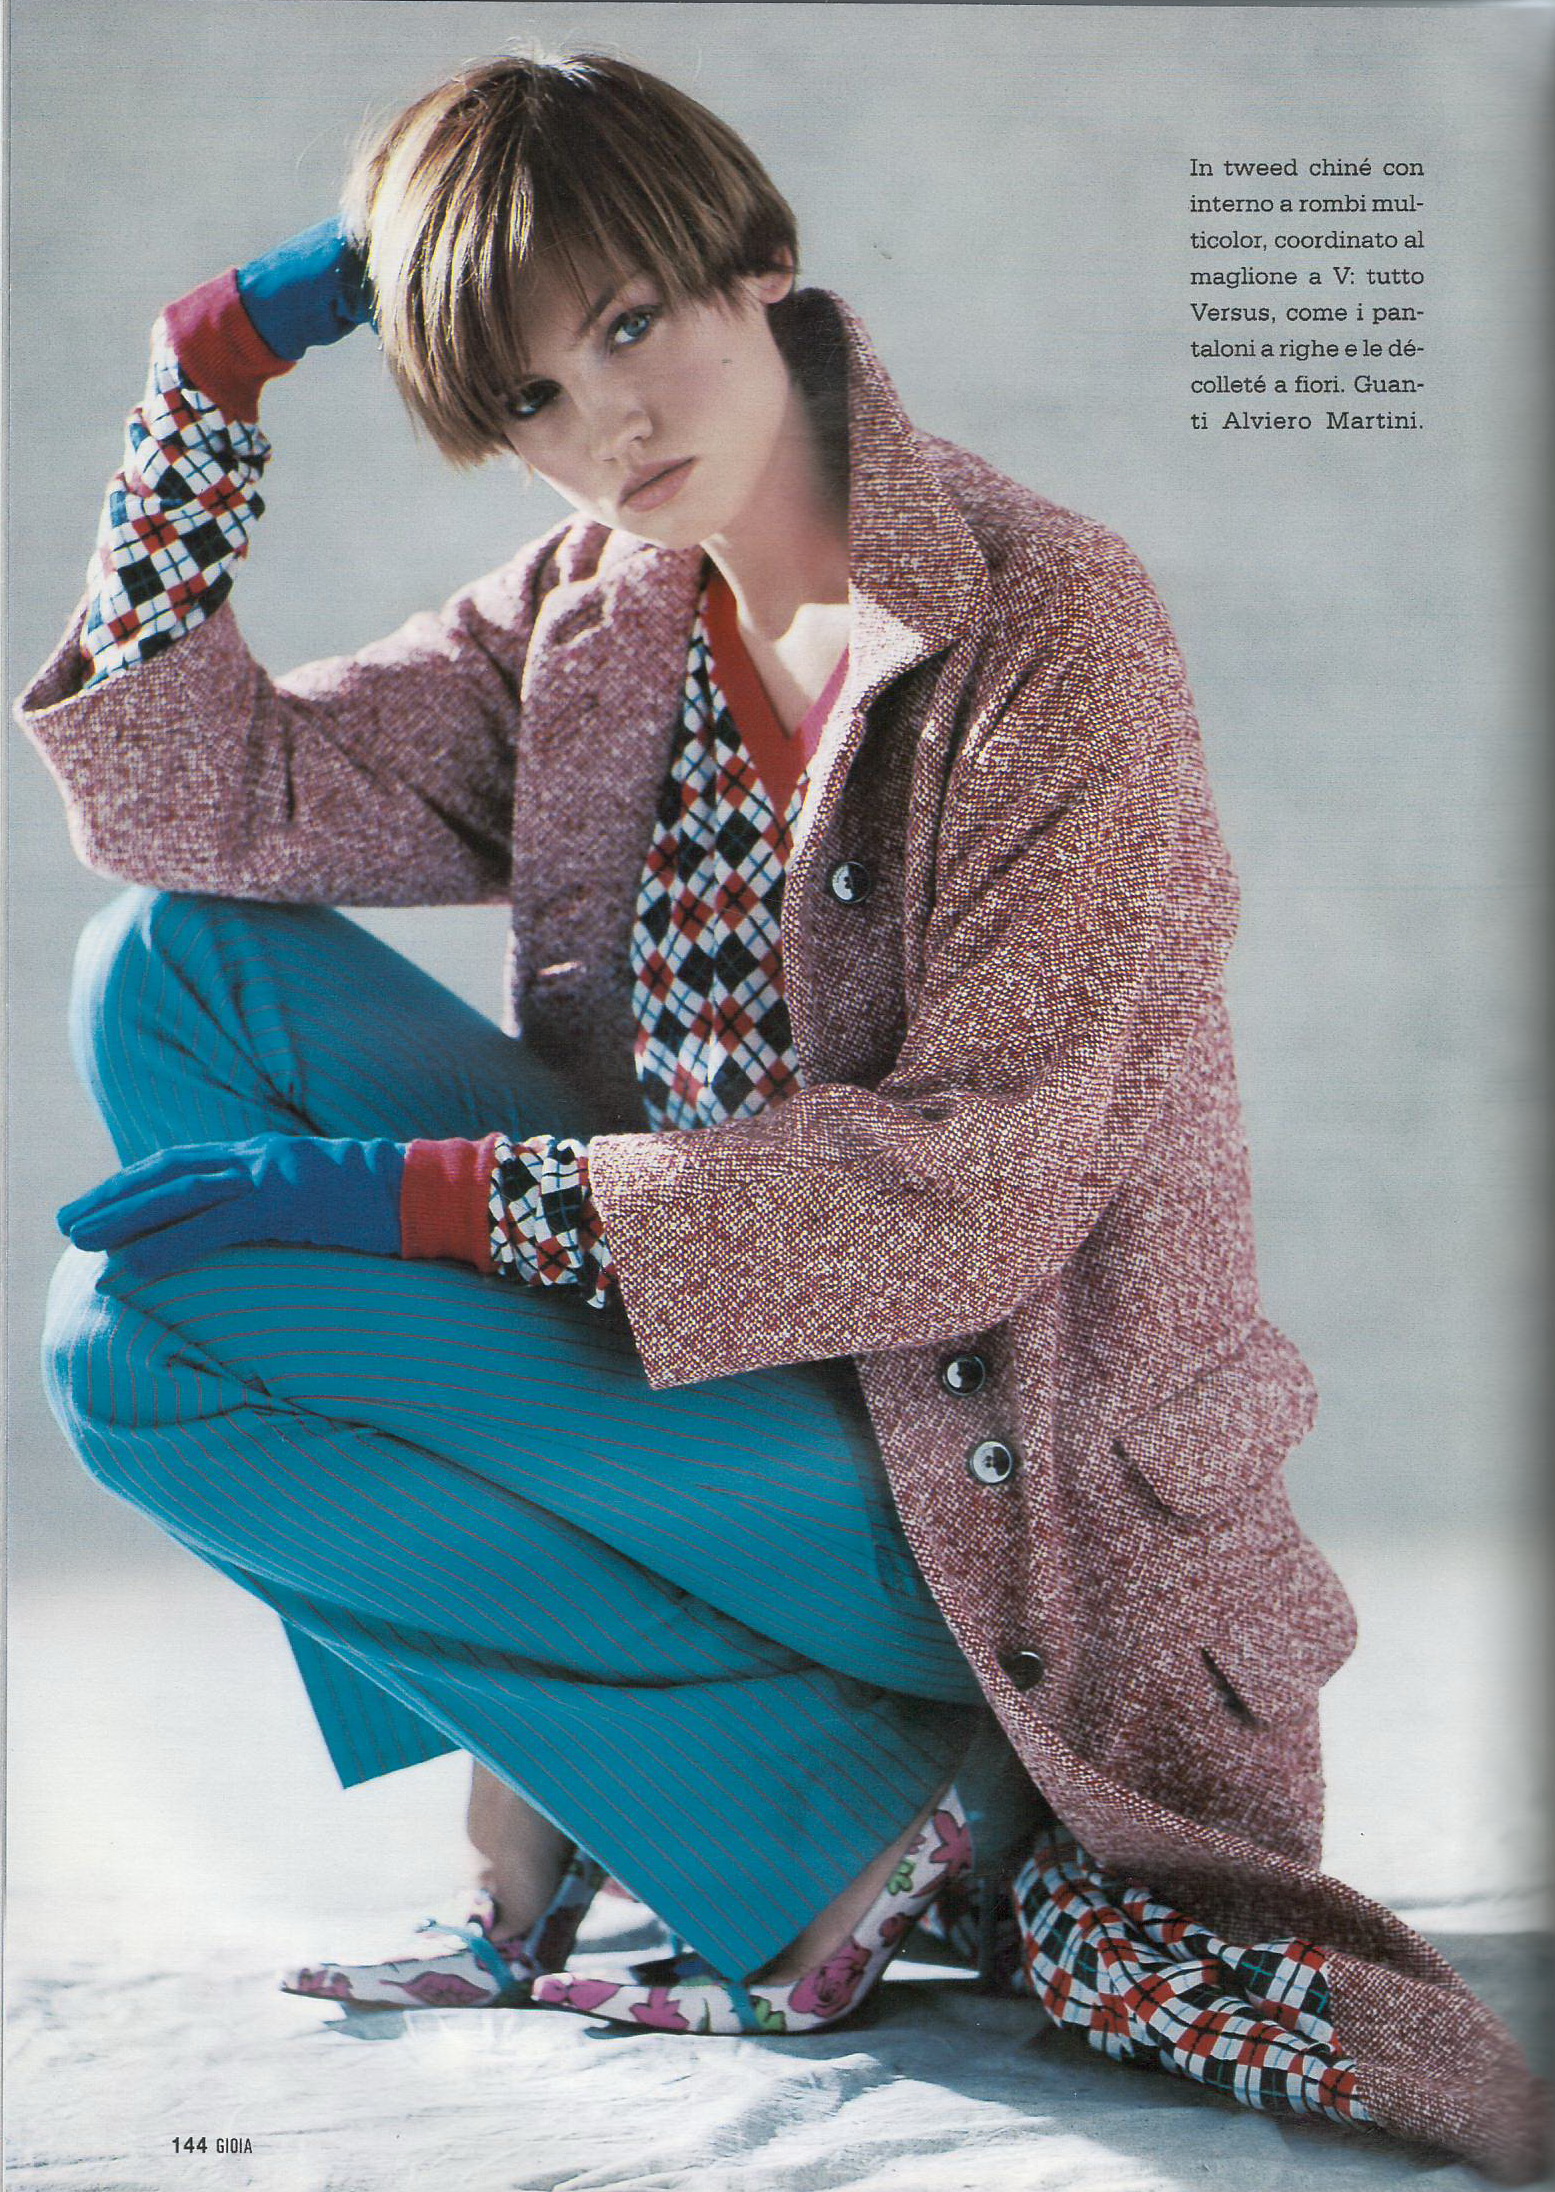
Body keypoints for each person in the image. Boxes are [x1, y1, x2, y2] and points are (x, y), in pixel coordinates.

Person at [16, 49, 1541, 2173]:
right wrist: (208, 377)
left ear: (758, 259)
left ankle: (839, 1814)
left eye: (632, 322)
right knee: (172, 967)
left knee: (135, 1349)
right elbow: (200, 803)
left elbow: (968, 1198)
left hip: (996, 1501)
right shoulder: (597, 616)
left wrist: (433, 1201)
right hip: (718, 1408)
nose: (607, 425)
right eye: (532, 395)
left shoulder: (1049, 628)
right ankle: (637, 1786)